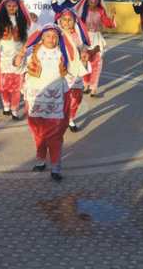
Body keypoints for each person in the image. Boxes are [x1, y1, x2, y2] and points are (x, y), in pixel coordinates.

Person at [17, 24, 86, 181]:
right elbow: (17, 65)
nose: (51, 39)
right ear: (42, 37)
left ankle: (55, 167)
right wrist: (19, 57)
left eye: (54, 36)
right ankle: (41, 160)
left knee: (54, 134)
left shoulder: (63, 53)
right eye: (48, 36)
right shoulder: (31, 51)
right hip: (35, 97)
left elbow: (74, 70)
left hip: (56, 99)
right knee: (38, 133)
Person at [0, 0, 30, 120]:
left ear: (18, 7)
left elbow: (29, 38)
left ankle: (14, 110)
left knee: (17, 85)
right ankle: (6, 106)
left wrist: (27, 54)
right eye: (9, 6)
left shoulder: (23, 20)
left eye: (14, 6)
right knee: (4, 85)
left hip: (18, 57)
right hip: (3, 57)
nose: (12, 8)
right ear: (4, 7)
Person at [54, 9, 92, 132]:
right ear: (60, 21)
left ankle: (70, 118)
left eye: (70, 20)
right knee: (60, 97)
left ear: (75, 21)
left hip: (76, 69)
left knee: (77, 97)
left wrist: (85, 53)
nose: (67, 22)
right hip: (62, 70)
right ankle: (59, 120)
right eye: (64, 20)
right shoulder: (56, 34)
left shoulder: (77, 34)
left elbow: (82, 48)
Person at [74, 0, 116, 97]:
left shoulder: (101, 11)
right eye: (91, 1)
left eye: (95, 1)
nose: (93, 3)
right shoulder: (82, 12)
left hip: (97, 38)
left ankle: (94, 88)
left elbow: (108, 24)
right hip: (84, 37)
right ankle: (86, 85)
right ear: (87, 1)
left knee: (96, 63)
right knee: (85, 62)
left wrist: (111, 17)